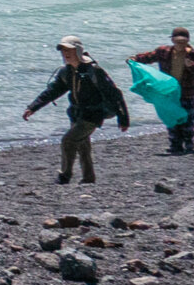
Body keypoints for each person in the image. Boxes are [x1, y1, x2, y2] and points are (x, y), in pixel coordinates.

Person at [21, 36, 127, 185]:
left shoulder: (94, 71)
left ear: (78, 50)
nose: (66, 53)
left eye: (69, 50)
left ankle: (65, 176)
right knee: (82, 146)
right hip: (76, 115)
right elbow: (52, 91)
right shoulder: (66, 72)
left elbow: (114, 95)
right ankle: (88, 179)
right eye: (63, 50)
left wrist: (123, 119)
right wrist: (32, 108)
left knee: (68, 141)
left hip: (92, 116)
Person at [132, 28, 194, 154]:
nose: (180, 44)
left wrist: (191, 66)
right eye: (178, 41)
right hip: (169, 92)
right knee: (172, 119)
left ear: (188, 41)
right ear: (172, 40)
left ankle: (188, 143)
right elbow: (148, 57)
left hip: (188, 92)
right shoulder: (164, 51)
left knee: (188, 120)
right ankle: (175, 145)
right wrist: (134, 59)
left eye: (183, 42)